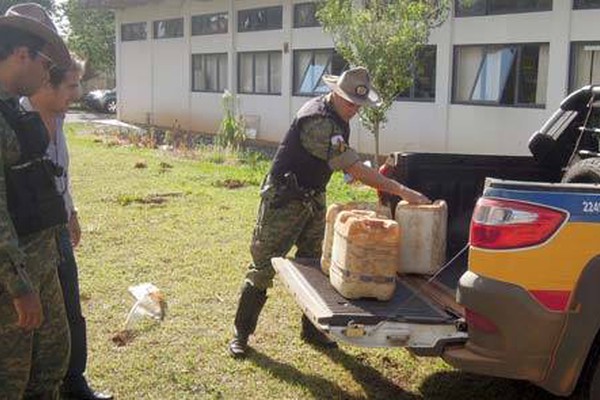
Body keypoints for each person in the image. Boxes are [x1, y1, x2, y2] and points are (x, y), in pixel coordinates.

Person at [228, 67, 431, 358]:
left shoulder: (337, 116)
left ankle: (312, 330)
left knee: (313, 266)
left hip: (313, 197)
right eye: (349, 102)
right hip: (284, 200)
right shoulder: (318, 121)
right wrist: (402, 190)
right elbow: (352, 166)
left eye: (358, 105)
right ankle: (241, 334)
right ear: (335, 93)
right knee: (263, 268)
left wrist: (359, 172)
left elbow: (343, 163)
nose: (354, 110)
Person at [24, 58, 113, 400]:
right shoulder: (17, 122)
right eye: (72, 86)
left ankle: (74, 383)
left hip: (59, 227)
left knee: (70, 306)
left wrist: (72, 211)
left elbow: (63, 174)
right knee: (35, 318)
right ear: (47, 84)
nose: (78, 94)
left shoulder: (59, 119)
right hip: (31, 237)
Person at [0, 3, 72, 399]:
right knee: (11, 380)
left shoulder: (12, 107)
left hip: (40, 260)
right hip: (13, 277)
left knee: (51, 363)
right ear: (21, 55)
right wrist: (18, 285)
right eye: (46, 63)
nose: (49, 75)